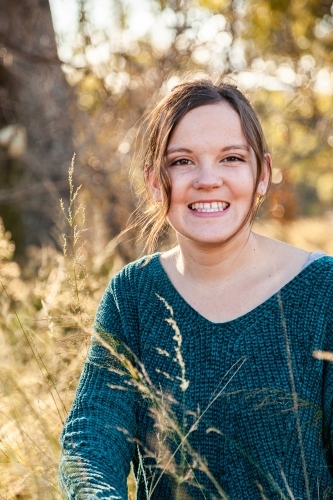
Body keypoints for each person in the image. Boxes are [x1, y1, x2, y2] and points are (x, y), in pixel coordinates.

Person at [58, 78, 333, 500]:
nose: (207, 179)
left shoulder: (323, 290)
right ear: (153, 181)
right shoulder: (132, 296)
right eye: (182, 161)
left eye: (231, 158)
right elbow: (90, 440)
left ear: (262, 173)